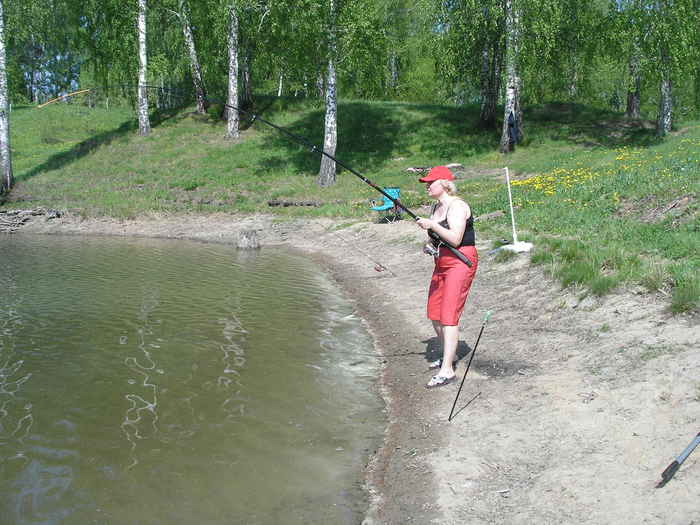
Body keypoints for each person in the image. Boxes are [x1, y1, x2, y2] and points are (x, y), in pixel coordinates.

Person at [415, 166, 478, 388]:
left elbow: (455, 238)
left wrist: (431, 225)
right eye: (426, 182)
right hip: (441, 262)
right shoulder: (436, 207)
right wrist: (429, 244)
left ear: (444, 184)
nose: (426, 186)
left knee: (449, 315)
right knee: (435, 313)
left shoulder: (457, 206)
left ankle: (448, 370)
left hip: (461, 263)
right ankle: (447, 355)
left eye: (430, 182)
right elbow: (437, 238)